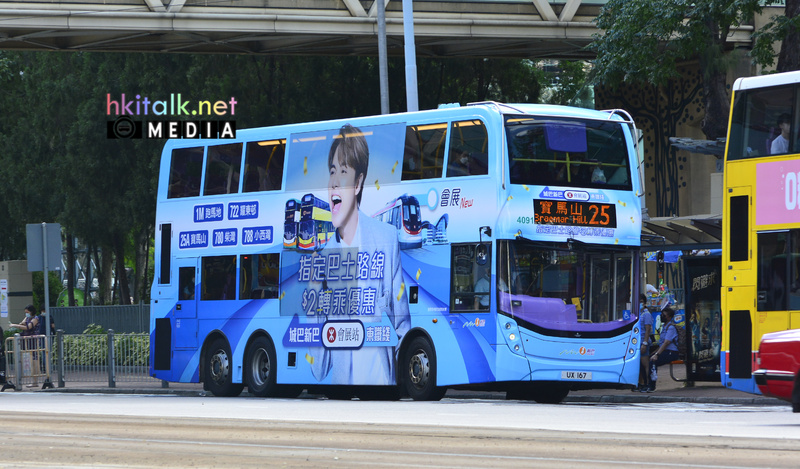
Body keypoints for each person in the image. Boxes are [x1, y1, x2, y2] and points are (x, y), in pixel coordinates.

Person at [309, 124, 411, 386]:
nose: (334, 181)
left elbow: (403, 328)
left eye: (343, 171)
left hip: (382, 389)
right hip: (344, 395)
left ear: (358, 183)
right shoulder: (324, 258)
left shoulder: (386, 240)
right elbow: (319, 369)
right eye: (332, 171)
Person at [647, 306, 680, 392]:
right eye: (661, 315)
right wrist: (654, 353)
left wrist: (656, 354)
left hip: (671, 352)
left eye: (664, 315)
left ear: (669, 317)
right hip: (665, 351)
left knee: (653, 361)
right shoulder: (664, 327)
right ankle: (646, 383)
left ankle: (651, 385)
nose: (662, 316)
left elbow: (666, 342)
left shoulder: (671, 328)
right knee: (647, 359)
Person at [637, 294, 654, 392]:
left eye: (641, 301)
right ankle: (641, 383)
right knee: (640, 365)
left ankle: (648, 383)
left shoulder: (646, 314)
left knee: (645, 364)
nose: (639, 303)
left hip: (643, 342)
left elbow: (648, 330)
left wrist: (645, 343)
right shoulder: (638, 314)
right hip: (637, 342)